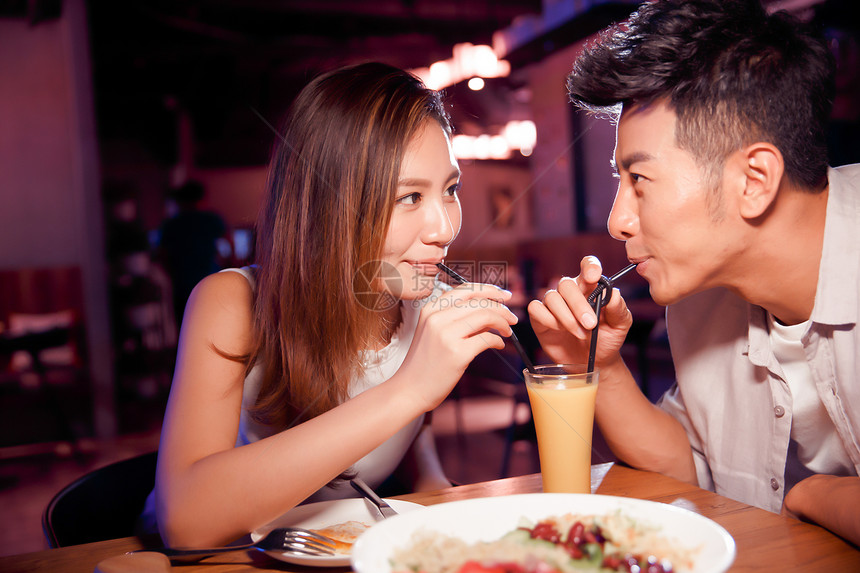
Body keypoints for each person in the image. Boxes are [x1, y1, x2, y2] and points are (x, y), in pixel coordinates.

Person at [143, 62, 517, 547]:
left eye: (450, 190)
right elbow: (186, 522)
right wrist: (410, 388)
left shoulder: (426, 302)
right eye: (408, 197)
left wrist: (431, 483)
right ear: (331, 206)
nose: (444, 229)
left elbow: (410, 429)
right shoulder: (232, 303)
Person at [528, 0, 860, 545]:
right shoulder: (701, 291)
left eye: (639, 179)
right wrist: (603, 367)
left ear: (754, 179)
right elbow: (688, 465)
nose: (616, 221)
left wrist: (810, 495)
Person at [157, 180, 232, 328]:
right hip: (211, 281)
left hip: (183, 286)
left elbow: (162, 256)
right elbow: (230, 244)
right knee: (215, 327)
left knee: (186, 329)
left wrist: (172, 274)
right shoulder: (211, 219)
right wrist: (229, 266)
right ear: (202, 198)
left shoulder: (171, 225)